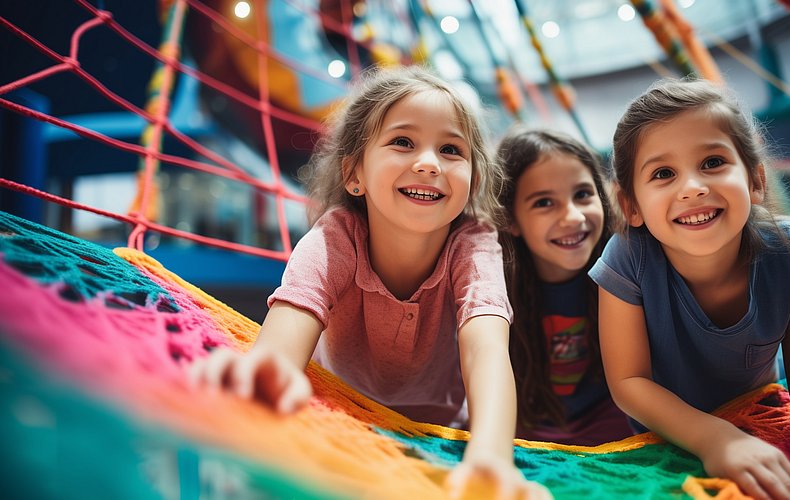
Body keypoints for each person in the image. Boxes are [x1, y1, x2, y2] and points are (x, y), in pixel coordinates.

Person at [190, 65, 548, 499]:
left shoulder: (473, 244)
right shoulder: (335, 236)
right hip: (339, 417)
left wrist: (490, 455)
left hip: (435, 434)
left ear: (473, 179)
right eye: (402, 142)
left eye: (452, 149)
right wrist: (271, 367)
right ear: (354, 174)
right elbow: (294, 316)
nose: (429, 163)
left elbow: (486, 347)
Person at [591, 78, 790, 499]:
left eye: (712, 162)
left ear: (755, 181)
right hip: (666, 443)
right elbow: (629, 382)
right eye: (663, 173)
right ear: (631, 206)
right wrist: (717, 440)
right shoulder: (628, 259)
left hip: (761, 418)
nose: (692, 187)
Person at [495, 127, 632, 446]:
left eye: (583, 194)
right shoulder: (493, 287)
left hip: (618, 422)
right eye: (544, 202)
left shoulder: (627, 268)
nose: (572, 217)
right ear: (510, 219)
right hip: (527, 433)